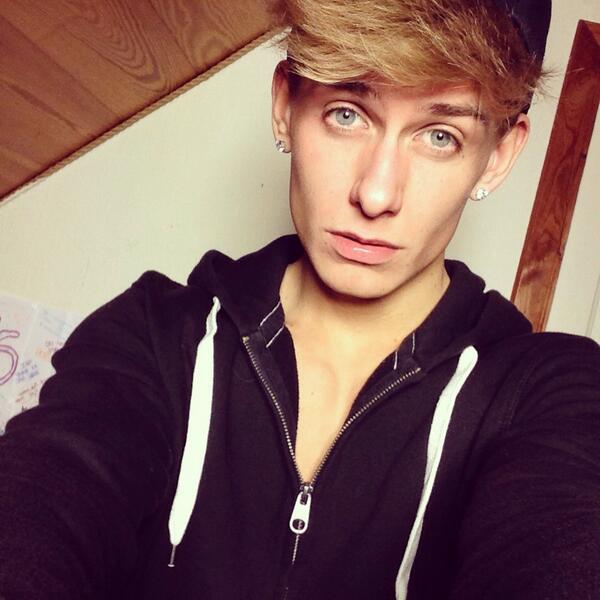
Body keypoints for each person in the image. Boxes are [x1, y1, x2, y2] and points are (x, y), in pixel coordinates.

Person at [0, 0, 599, 598]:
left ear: (497, 157)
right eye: (346, 114)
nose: (376, 194)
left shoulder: (546, 391)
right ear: (286, 105)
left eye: (440, 136)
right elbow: (47, 496)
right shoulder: (154, 336)